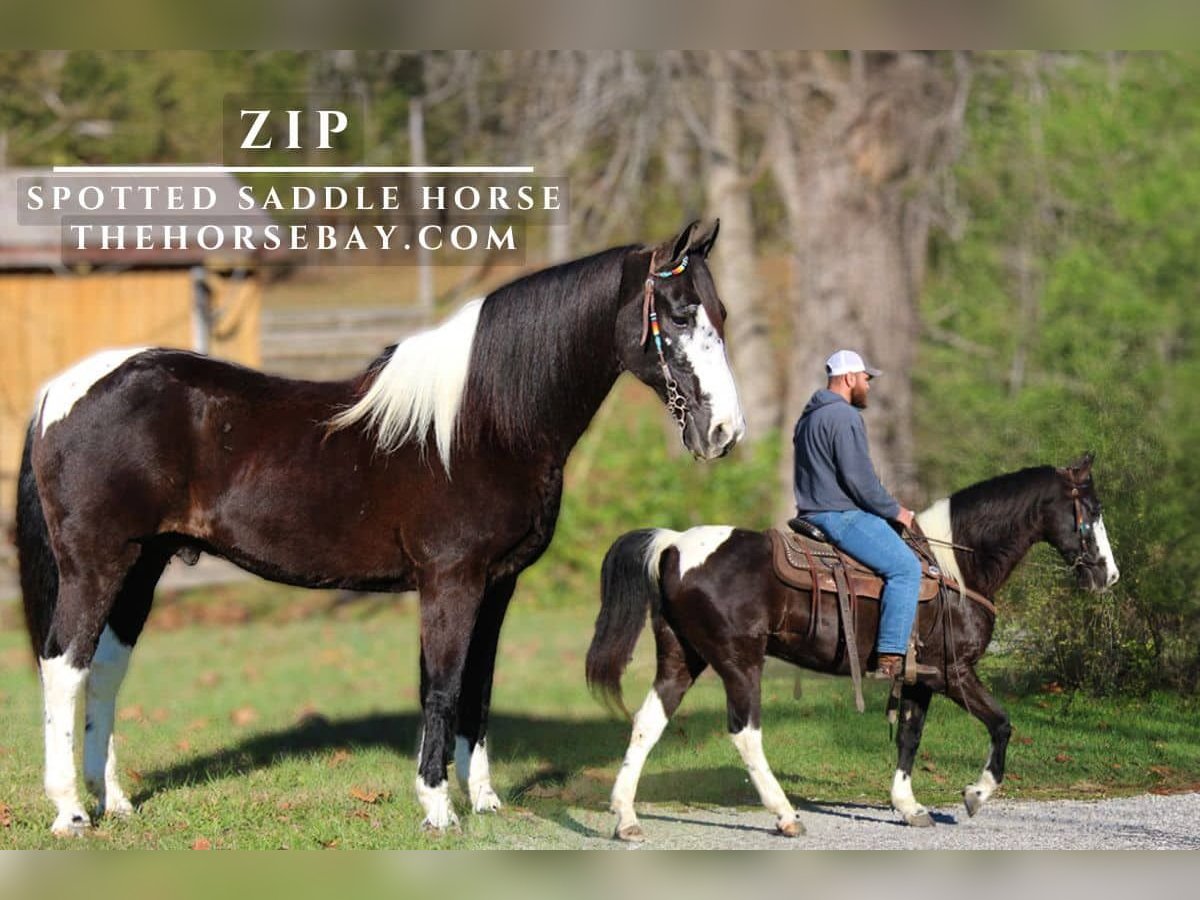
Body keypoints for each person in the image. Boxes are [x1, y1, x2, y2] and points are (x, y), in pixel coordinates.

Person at [793, 349, 920, 680]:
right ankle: (890, 659)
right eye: (866, 378)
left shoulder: (807, 418)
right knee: (906, 568)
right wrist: (898, 511)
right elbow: (859, 482)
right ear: (849, 378)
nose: (868, 384)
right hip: (839, 515)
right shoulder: (845, 416)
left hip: (811, 512)